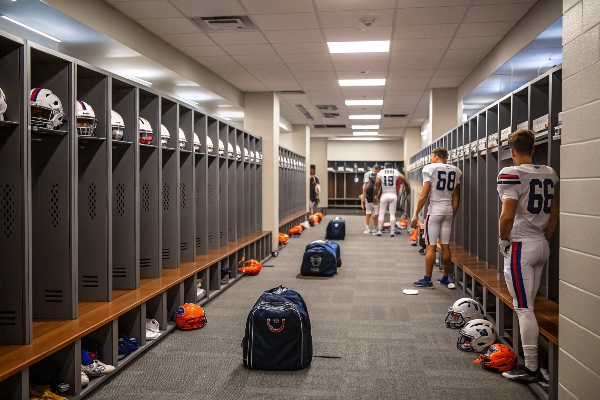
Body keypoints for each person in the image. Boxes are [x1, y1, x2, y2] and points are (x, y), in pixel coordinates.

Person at [497, 130, 559, 383]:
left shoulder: (510, 173)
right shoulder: (549, 172)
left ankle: (532, 367)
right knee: (528, 306)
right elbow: (555, 212)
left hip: (521, 247)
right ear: (533, 149)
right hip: (542, 244)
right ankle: (532, 361)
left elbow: (507, 216)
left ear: (512, 151)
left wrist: (503, 241)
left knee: (524, 308)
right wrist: (545, 236)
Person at [411, 147, 461, 289]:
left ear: (436, 156)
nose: (431, 159)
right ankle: (446, 278)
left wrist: (416, 214)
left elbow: (424, 195)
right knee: (445, 245)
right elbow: (456, 196)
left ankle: (427, 279)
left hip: (435, 210)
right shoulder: (456, 170)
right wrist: (452, 212)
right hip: (448, 210)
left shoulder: (430, 169)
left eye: (432, 156)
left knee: (430, 246)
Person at [373, 163, 410, 237]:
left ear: (385, 167)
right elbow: (404, 180)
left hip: (384, 195)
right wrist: (407, 188)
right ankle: (392, 232)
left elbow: (376, 185)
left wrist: (375, 195)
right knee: (392, 214)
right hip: (393, 195)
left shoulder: (381, 172)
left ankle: (379, 230)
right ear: (392, 167)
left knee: (381, 213)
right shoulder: (395, 171)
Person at [361, 164, 381, 234]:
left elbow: (365, 186)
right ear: (378, 169)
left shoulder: (367, 173)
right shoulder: (379, 174)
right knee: (376, 213)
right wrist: (377, 197)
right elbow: (379, 188)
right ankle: (376, 228)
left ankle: (367, 229)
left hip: (368, 196)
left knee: (368, 212)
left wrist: (363, 198)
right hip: (374, 196)